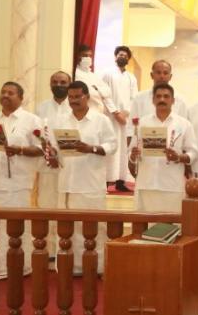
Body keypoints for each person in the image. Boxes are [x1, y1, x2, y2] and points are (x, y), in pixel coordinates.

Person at [0, 82, 44, 279]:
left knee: (15, 227)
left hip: (17, 183)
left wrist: (20, 150)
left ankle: (17, 267)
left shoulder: (32, 120)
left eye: (10, 93)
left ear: (21, 98)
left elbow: (42, 149)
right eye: (3, 92)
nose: (5, 95)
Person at [47, 81, 117, 272]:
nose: (74, 100)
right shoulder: (61, 120)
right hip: (67, 182)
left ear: (87, 97)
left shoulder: (101, 120)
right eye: (71, 97)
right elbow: (54, 146)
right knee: (67, 228)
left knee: (93, 228)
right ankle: (68, 266)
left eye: (78, 97)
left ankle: (95, 267)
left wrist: (91, 148)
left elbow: (112, 145)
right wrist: (52, 155)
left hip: (90, 183)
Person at [128, 84, 198, 213]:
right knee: (144, 224)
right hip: (146, 185)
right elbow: (131, 151)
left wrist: (179, 157)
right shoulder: (142, 123)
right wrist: (133, 155)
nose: (162, 99)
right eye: (158, 96)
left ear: (173, 100)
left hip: (172, 186)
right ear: (153, 100)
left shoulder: (184, 124)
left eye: (166, 96)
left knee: (171, 224)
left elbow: (194, 152)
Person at [128, 60, 188, 153]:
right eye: (158, 72)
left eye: (165, 73)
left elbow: (184, 130)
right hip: (144, 154)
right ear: (152, 75)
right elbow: (131, 128)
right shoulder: (139, 98)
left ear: (170, 76)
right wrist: (130, 153)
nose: (162, 76)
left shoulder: (180, 100)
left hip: (172, 154)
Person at [102, 45, 138, 192]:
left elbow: (134, 98)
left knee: (123, 149)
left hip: (125, 119)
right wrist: (116, 113)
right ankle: (105, 181)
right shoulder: (107, 73)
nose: (122, 57)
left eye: (125, 55)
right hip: (110, 117)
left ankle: (120, 181)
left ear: (128, 59)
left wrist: (126, 113)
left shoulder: (131, 77)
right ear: (115, 57)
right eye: (120, 54)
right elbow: (104, 95)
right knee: (110, 148)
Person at [35, 71, 72, 208]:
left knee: (69, 203)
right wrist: (48, 152)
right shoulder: (41, 107)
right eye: (55, 82)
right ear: (50, 85)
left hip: (70, 161)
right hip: (47, 161)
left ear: (70, 84)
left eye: (63, 82)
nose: (58, 85)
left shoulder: (75, 106)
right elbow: (37, 133)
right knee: (47, 200)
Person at [72, 45, 118, 121]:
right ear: (78, 56)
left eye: (90, 56)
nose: (88, 58)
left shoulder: (94, 75)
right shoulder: (75, 74)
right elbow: (88, 93)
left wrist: (97, 89)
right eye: (85, 55)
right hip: (84, 115)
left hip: (99, 114)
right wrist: (98, 91)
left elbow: (108, 92)